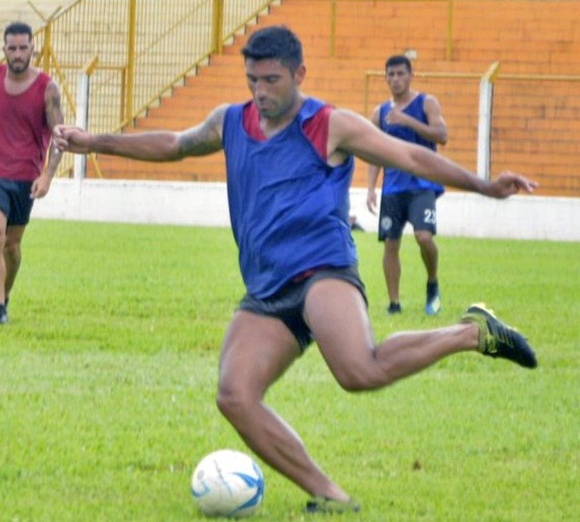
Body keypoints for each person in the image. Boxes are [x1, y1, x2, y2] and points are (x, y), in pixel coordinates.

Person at [53, 25, 537, 513]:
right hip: (265, 288)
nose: (260, 92)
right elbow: (175, 144)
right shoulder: (230, 122)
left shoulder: (330, 124)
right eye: (252, 81)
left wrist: (483, 184)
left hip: (322, 270)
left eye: (271, 80)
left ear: (299, 73)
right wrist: (94, 141)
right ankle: (329, 494)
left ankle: (471, 333)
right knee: (235, 396)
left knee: (358, 370)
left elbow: (409, 155)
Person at [0, 21, 65, 324]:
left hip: (25, 178)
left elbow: (60, 136)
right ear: (4, 50)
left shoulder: (48, 89)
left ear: (32, 49)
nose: (18, 53)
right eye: (12, 48)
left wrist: (47, 175)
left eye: (23, 48)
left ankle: (4, 297)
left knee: (12, 244)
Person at [366, 55, 449, 315]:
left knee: (424, 237)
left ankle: (432, 282)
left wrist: (409, 121)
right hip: (393, 187)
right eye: (390, 75)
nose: (395, 79)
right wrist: (371, 187)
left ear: (411, 75)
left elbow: (442, 136)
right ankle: (394, 303)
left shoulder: (426, 103)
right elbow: (373, 152)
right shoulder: (379, 113)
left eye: (400, 74)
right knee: (391, 243)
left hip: (422, 183)